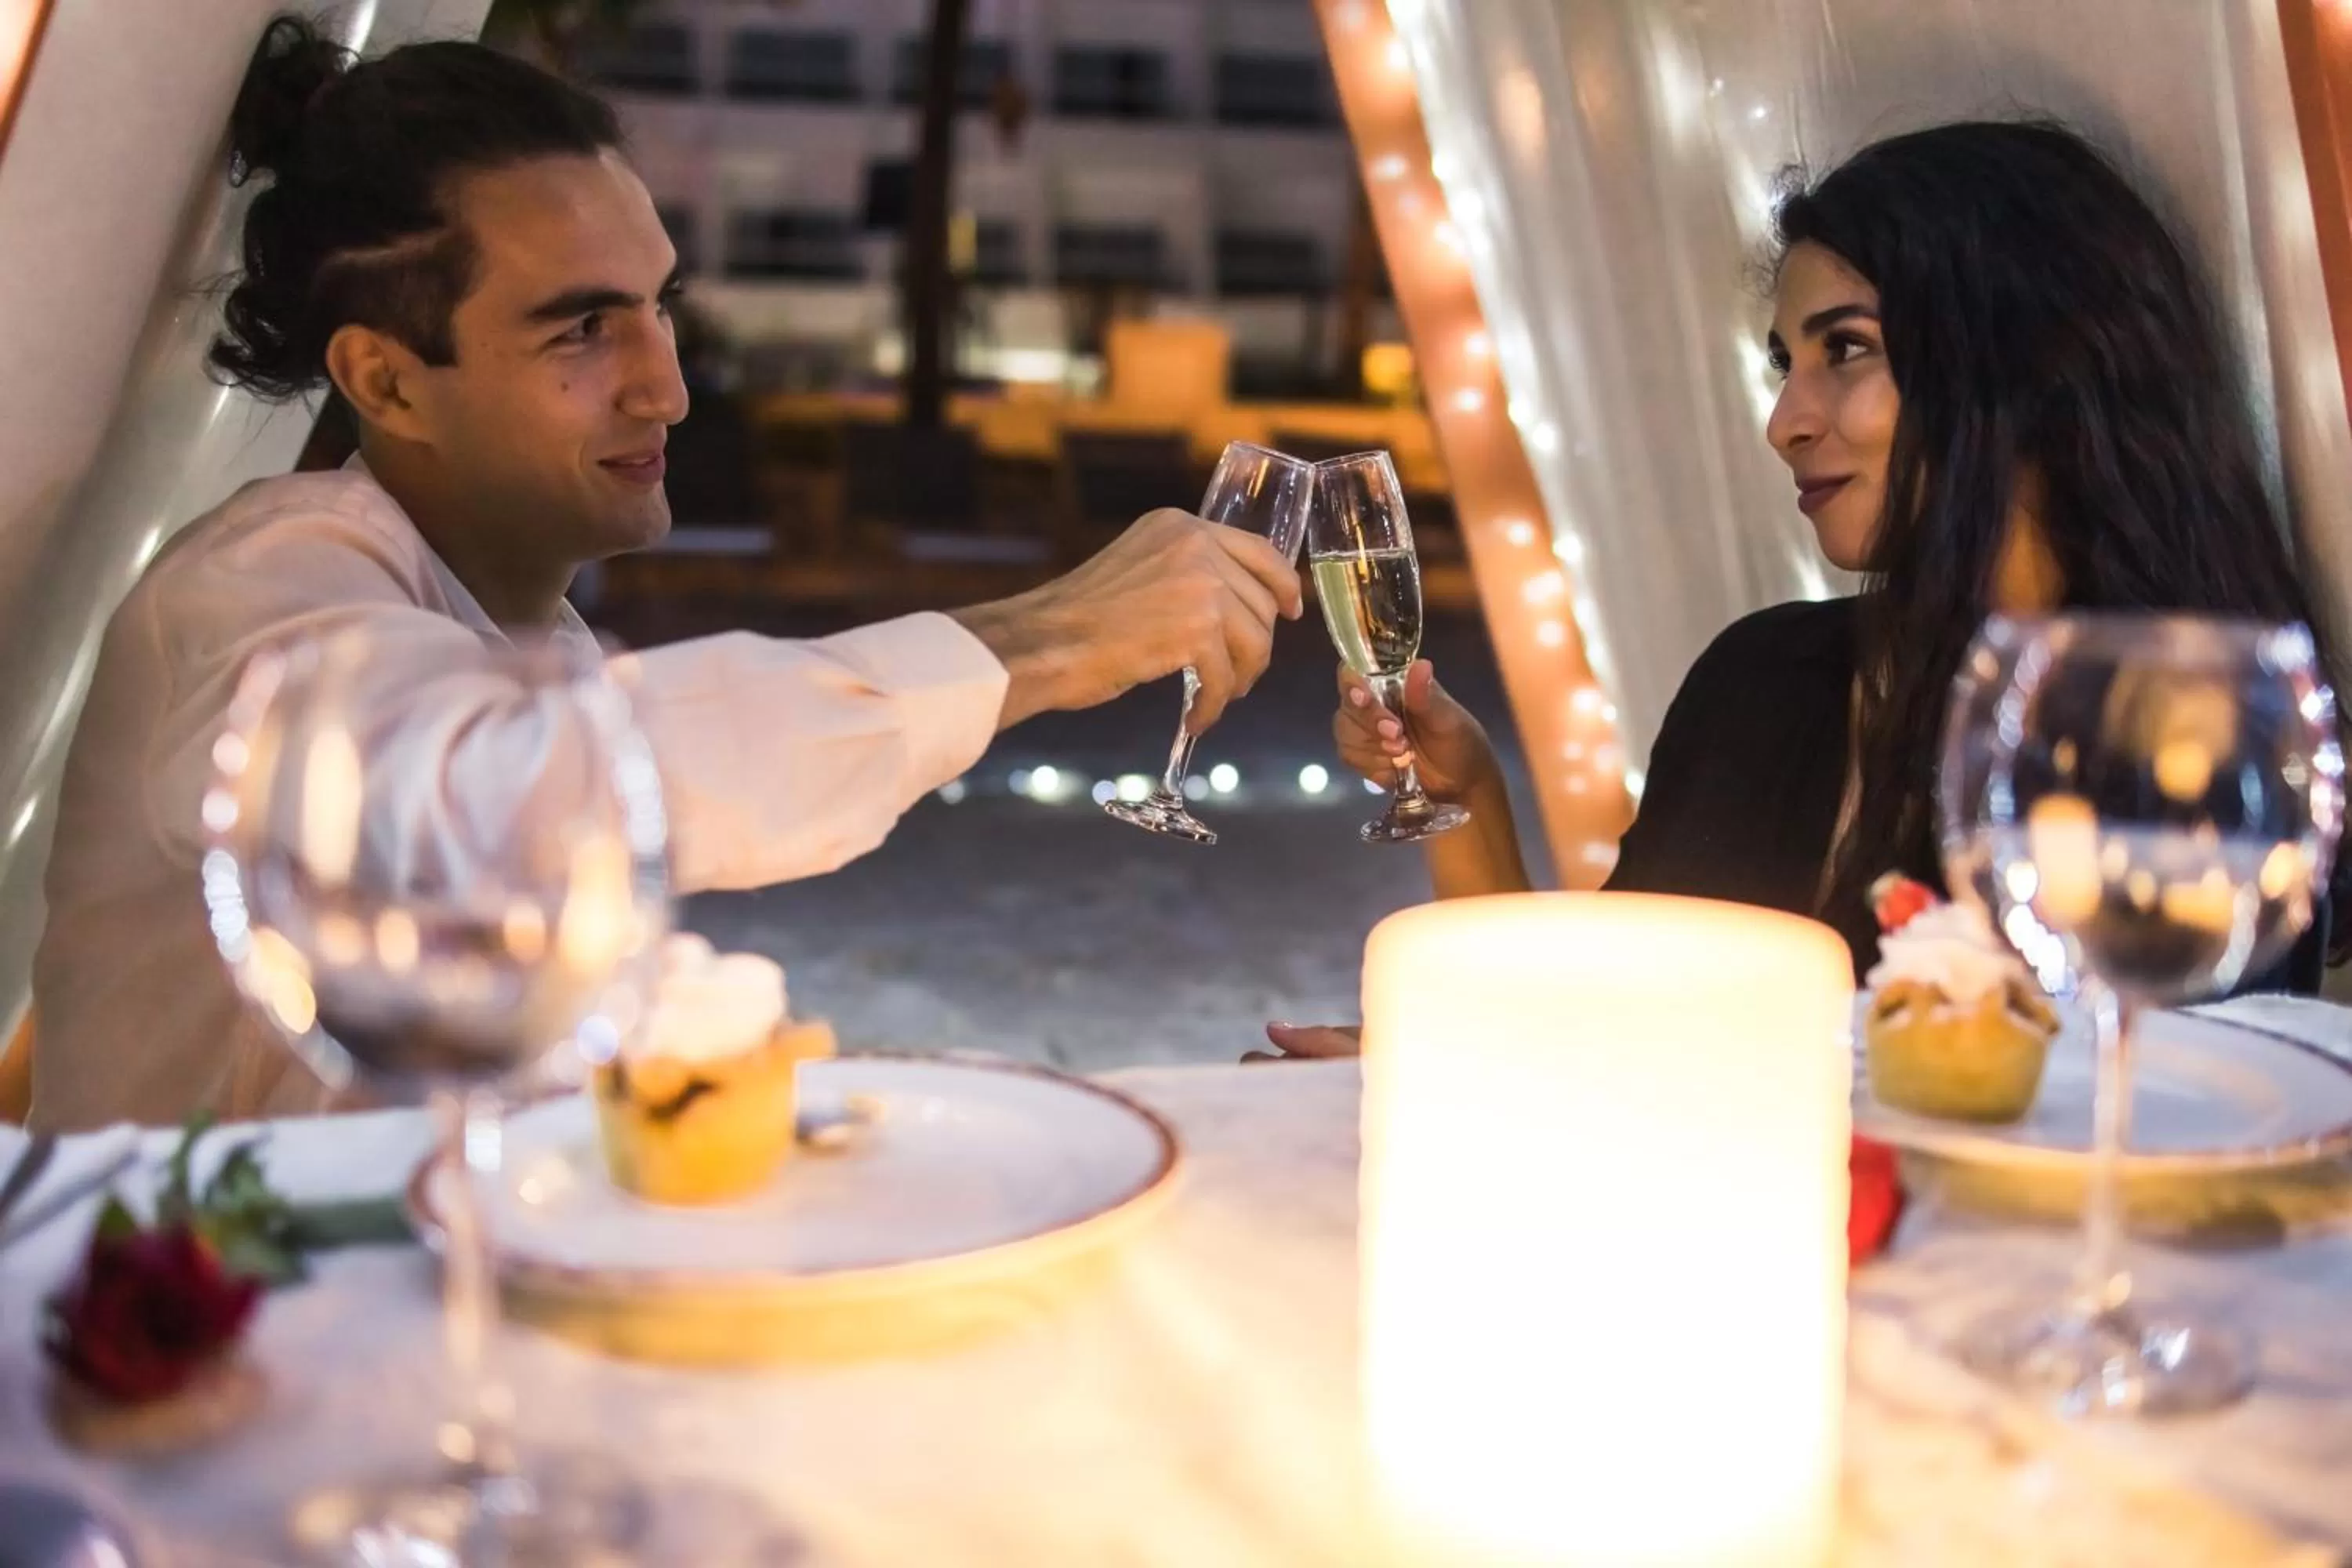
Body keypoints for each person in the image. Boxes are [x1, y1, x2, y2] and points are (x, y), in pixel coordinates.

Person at [31, 19, 1302, 1129]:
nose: (669, 387)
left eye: (660, 308)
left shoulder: (529, 631)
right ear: (387, 378)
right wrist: (1046, 639)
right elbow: (498, 795)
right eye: (583, 327)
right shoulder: (263, 591)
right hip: (192, 1363)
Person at [1261, 119, 2341, 1063]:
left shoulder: (2197, 742)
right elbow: (1613, 1033)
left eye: (1848, 351)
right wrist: (1469, 797)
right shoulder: (1765, 677)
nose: (1786, 420)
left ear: (2022, 363)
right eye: (1787, 362)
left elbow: (2166, 1133)